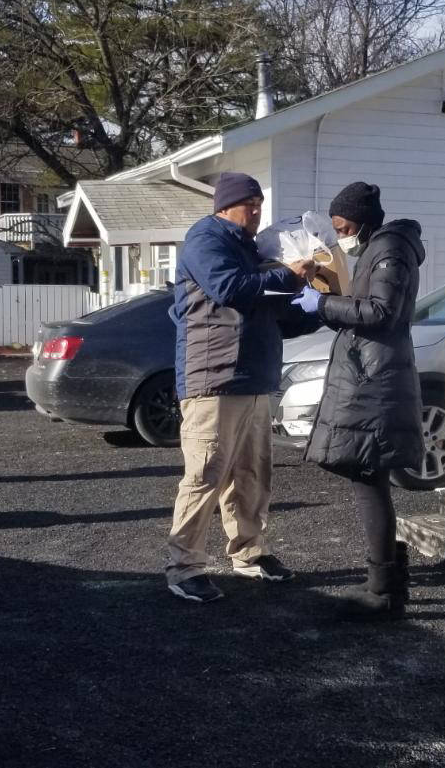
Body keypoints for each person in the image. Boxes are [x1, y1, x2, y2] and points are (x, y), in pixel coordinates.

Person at [165, 172, 317, 603]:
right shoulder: (206, 239)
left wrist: (324, 307)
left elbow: (275, 315)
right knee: (206, 474)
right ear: (224, 205)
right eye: (249, 203)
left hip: (255, 379)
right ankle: (184, 567)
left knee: (252, 473)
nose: (256, 211)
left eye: (259, 204)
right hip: (214, 378)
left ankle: (249, 553)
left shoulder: (252, 250)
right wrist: (287, 276)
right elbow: (229, 289)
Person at [291, 182, 425, 620]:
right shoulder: (379, 249)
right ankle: (386, 584)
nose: (339, 234)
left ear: (363, 220)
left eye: (343, 226)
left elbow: (380, 313)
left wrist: (323, 305)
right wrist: (328, 300)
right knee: (368, 479)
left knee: (369, 479)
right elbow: (365, 312)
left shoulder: (390, 251)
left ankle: (383, 591)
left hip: (376, 381)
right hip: (372, 375)